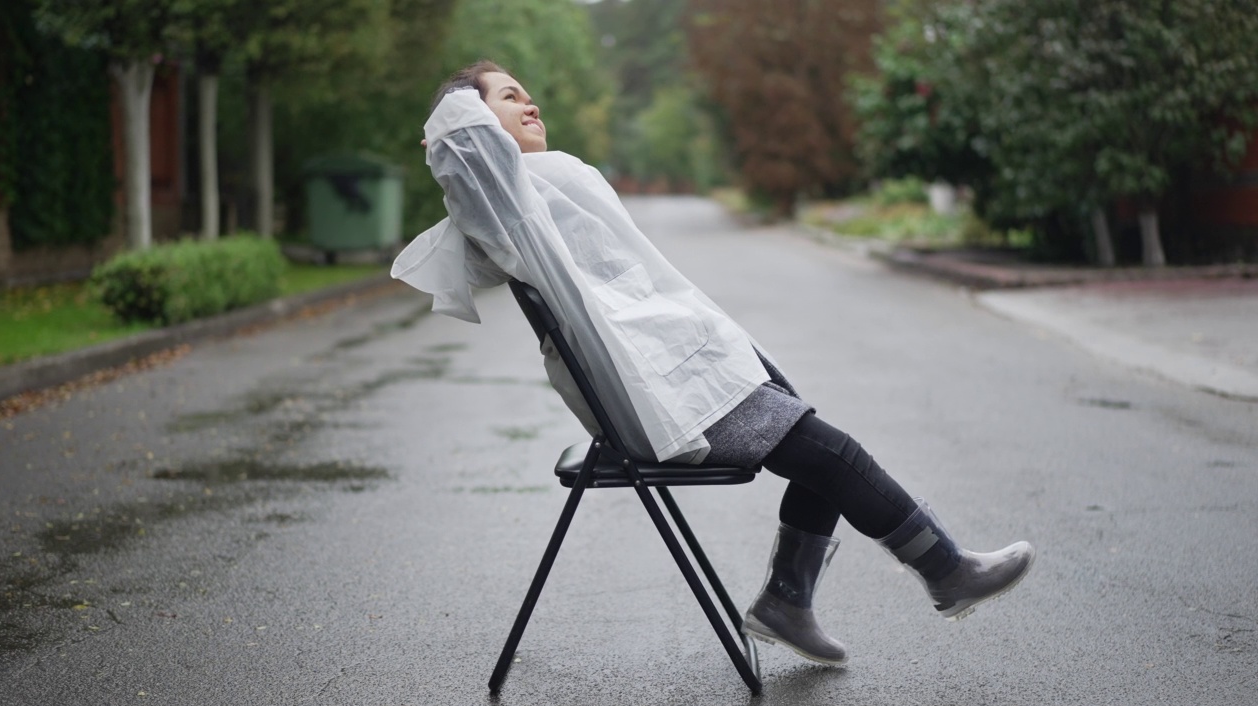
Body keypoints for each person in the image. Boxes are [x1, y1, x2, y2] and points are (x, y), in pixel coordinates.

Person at [393, 61, 1034, 667]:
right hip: (656, 388)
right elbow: (462, 144)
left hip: (671, 366)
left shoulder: (531, 187)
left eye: (525, 91)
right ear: (473, 121)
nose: (529, 101)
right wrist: (456, 103)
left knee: (818, 448)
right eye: (507, 96)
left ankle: (788, 603)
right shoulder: (503, 194)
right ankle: (946, 570)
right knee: (832, 455)